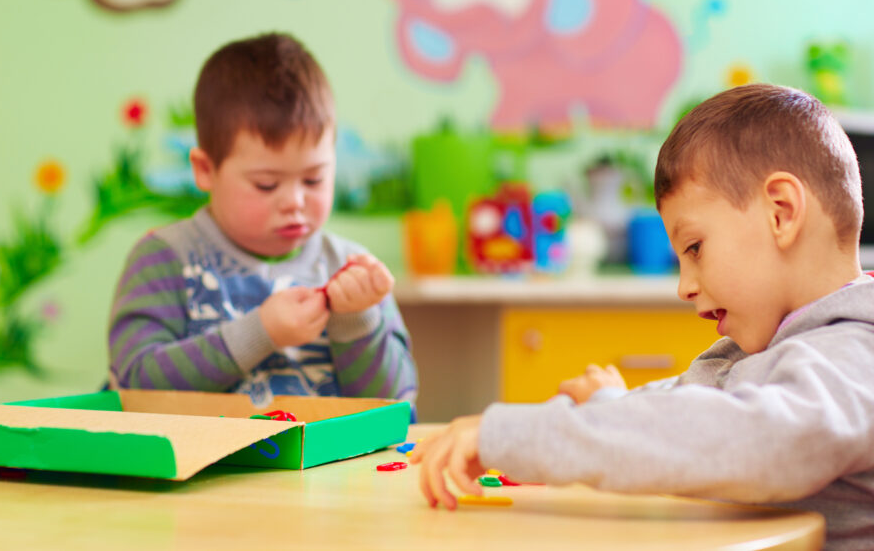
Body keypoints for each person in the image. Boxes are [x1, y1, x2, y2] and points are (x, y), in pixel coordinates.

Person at [412, 84, 874, 550]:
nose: (684, 286)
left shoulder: (855, 354)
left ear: (781, 212)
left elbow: (749, 439)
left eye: (694, 247)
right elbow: (679, 413)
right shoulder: (757, 351)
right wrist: (608, 407)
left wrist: (516, 436)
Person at [107, 32, 418, 410]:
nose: (295, 202)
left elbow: (399, 407)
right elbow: (133, 387)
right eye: (266, 184)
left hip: (330, 471)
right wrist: (260, 333)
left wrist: (357, 322)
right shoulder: (164, 259)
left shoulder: (351, 269)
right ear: (206, 170)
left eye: (314, 179)